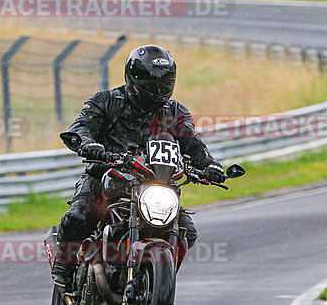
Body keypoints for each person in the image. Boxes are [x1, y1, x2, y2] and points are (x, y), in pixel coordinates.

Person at [50, 45, 225, 288]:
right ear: (134, 77)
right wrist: (88, 144)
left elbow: (192, 143)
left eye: (164, 82)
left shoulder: (174, 111)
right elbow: (81, 127)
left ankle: (157, 281)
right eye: (151, 81)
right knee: (80, 214)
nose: (157, 88)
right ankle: (64, 266)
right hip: (106, 178)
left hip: (153, 185)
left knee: (187, 232)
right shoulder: (107, 101)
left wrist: (209, 165)